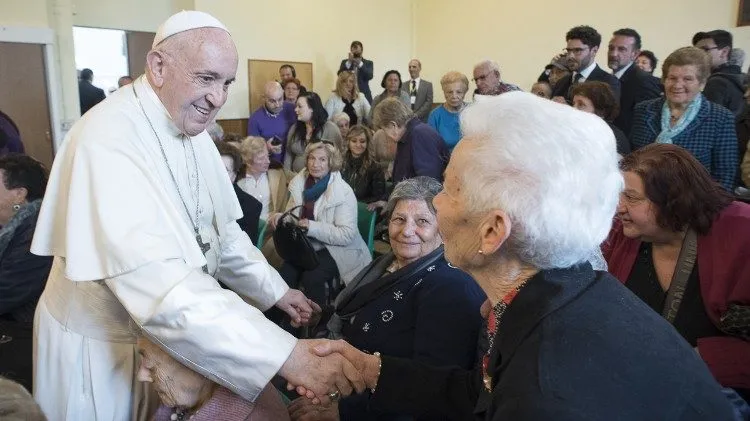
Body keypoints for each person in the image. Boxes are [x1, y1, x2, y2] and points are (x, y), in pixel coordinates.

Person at [297, 92, 736, 420]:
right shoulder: (560, 289)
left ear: (492, 231)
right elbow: (481, 390)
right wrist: (369, 368)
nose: (437, 207)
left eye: (448, 189)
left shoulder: (547, 390)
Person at [30, 11, 364, 421]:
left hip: (169, 341)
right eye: (206, 79)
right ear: (158, 66)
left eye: (226, 83)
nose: (219, 98)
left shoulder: (192, 129)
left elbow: (221, 233)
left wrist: (275, 290)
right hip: (102, 349)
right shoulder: (108, 140)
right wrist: (285, 354)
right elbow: (162, 287)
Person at [288, 177, 486, 421]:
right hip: (345, 384)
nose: (407, 231)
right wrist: (323, 315)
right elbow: (368, 311)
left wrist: (341, 411)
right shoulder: (388, 263)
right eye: (399, 219)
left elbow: (431, 391)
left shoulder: (450, 289)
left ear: (443, 229)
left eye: (422, 221)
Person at [603, 143, 750, 409]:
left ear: (674, 201)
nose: (618, 208)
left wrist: (698, 358)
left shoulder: (742, 233)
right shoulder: (623, 234)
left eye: (631, 198)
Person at [269, 142, 372, 308]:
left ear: (331, 163)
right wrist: (281, 217)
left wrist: (311, 226)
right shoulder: (299, 182)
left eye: (322, 159)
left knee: (311, 278)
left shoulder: (343, 191)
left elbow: (346, 234)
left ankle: (318, 322)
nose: (315, 164)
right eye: (311, 158)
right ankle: (285, 320)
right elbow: (293, 216)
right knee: (286, 273)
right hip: (308, 244)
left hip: (340, 249)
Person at [630, 47, 738, 191]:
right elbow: (632, 159)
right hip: (644, 200)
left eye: (687, 79)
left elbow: (725, 177)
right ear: (664, 79)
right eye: (672, 78)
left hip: (695, 205)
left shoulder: (721, 118)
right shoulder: (643, 110)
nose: (678, 85)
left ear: (702, 83)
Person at [137, 336, 290, 421]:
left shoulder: (253, 416)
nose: (141, 376)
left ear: (195, 364)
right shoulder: (188, 399)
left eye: (151, 366)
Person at [0, 155, 51, 392]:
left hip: (24, 337)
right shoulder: (15, 227)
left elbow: (7, 291)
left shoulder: (37, 230)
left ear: (19, 193)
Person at [373, 97, 448, 187]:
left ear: (393, 125)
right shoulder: (410, 134)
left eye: (384, 130)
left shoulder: (419, 135)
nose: (386, 135)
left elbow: (428, 184)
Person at [607, 28, 663, 135]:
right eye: (611, 48)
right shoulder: (606, 79)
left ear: (635, 54)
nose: (613, 54)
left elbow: (647, 126)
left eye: (621, 49)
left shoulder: (644, 82)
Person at [551, 25, 621, 103]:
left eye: (577, 50)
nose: (570, 56)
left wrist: (569, 109)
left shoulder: (609, 82)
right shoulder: (561, 83)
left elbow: (608, 114)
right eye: (569, 50)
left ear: (594, 51)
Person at [215, 141, 262, 244]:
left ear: (234, 175)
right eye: (214, 167)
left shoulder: (250, 206)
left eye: (225, 169)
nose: (217, 173)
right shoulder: (195, 196)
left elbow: (246, 249)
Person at [285, 91, 343, 173]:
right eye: (296, 106)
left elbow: (338, 158)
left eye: (300, 106)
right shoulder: (294, 128)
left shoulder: (331, 128)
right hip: (295, 178)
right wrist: (287, 175)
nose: (295, 109)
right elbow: (288, 154)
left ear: (312, 108)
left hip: (321, 180)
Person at [692, 30, 746, 117]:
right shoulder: (738, 77)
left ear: (724, 52)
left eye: (705, 49)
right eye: (695, 51)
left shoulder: (716, 83)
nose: (697, 56)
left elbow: (707, 123)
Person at [238, 136, 292, 221]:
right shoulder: (237, 180)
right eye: (261, 159)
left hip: (272, 229)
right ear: (248, 162)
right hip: (246, 228)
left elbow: (298, 177)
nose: (268, 161)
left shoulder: (277, 171)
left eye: (267, 156)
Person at [570, 81, 631, 155]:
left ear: (600, 111)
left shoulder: (614, 139)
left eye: (581, 104)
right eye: (573, 103)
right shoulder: (574, 130)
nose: (573, 108)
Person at [248, 81, 297, 163]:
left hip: (293, 163)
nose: (277, 105)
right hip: (270, 165)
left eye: (280, 99)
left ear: (283, 94)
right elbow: (252, 150)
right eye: (272, 101)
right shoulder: (255, 119)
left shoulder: (293, 109)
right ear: (263, 98)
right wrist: (266, 148)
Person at [340, 124, 385, 206]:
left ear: (367, 143)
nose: (358, 145)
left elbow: (378, 196)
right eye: (354, 141)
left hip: (363, 209)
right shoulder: (339, 164)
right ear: (348, 142)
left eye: (362, 141)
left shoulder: (375, 167)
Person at [428, 71, 469, 151]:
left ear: (465, 92)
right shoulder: (435, 115)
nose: (454, 96)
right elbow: (431, 147)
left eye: (459, 92)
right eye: (450, 92)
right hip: (445, 161)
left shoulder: (472, 111)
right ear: (444, 92)